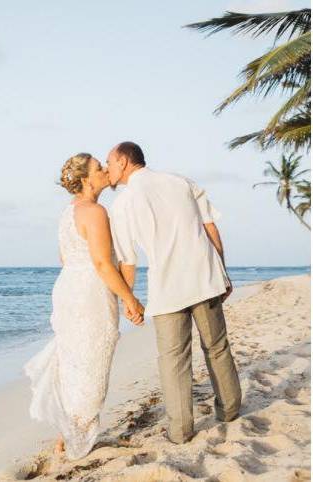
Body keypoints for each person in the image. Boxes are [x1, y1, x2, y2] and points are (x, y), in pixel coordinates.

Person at [106, 141, 241, 444]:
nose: (108, 170)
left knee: (173, 359)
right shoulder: (180, 182)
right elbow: (211, 229)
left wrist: (129, 300)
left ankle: (181, 432)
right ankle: (230, 412)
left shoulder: (123, 205)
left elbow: (128, 260)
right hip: (204, 277)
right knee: (217, 347)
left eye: (110, 163)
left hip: (167, 288)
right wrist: (222, 271)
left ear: (124, 161)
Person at [24, 153, 144, 459]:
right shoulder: (95, 211)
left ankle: (69, 434)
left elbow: (64, 259)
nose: (105, 171)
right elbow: (103, 264)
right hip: (89, 293)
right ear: (87, 179)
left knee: (75, 361)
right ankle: (79, 438)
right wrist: (130, 299)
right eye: (98, 168)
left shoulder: (68, 212)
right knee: (92, 362)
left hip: (68, 290)